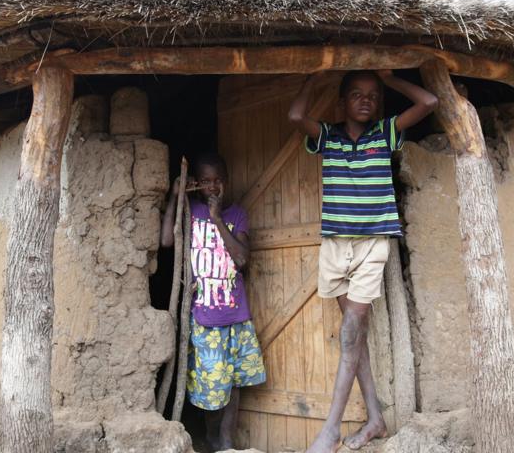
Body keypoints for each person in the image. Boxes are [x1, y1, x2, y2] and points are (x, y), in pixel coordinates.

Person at [288, 70, 437, 452]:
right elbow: (294, 117)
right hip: (336, 244)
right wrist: (313, 79)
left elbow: (429, 103)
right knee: (356, 339)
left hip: (372, 244)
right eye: (356, 94)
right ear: (342, 102)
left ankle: (329, 430)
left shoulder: (385, 132)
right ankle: (375, 418)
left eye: (372, 94)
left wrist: (390, 79)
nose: (365, 100)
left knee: (352, 332)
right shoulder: (327, 136)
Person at [160, 152, 266, 452]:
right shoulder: (189, 212)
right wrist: (174, 198)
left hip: (237, 316)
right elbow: (167, 240)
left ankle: (227, 441)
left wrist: (218, 218)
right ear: (196, 183)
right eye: (205, 181)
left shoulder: (236, 216)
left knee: (233, 385)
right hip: (205, 318)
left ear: (227, 181)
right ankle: (210, 437)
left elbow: (243, 259)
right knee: (210, 388)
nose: (213, 187)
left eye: (218, 180)